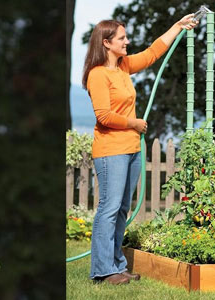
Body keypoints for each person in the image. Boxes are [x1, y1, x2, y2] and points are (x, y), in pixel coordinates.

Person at [82, 15, 198, 285]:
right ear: (107, 43)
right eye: (122, 38)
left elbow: (152, 53)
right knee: (108, 209)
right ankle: (102, 270)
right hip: (111, 150)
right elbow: (103, 115)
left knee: (121, 209)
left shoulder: (122, 67)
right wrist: (133, 123)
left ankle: (116, 266)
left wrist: (178, 26)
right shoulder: (97, 75)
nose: (127, 41)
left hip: (131, 148)